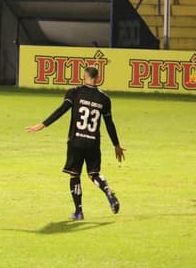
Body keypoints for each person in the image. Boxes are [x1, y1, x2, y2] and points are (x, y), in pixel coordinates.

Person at [25, 66, 125, 221]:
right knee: (94, 174)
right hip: (93, 142)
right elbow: (109, 123)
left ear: (84, 76)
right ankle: (107, 190)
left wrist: (42, 125)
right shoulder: (104, 99)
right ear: (98, 78)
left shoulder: (74, 93)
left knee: (74, 174)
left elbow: (61, 110)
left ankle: (79, 212)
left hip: (76, 141)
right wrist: (116, 145)